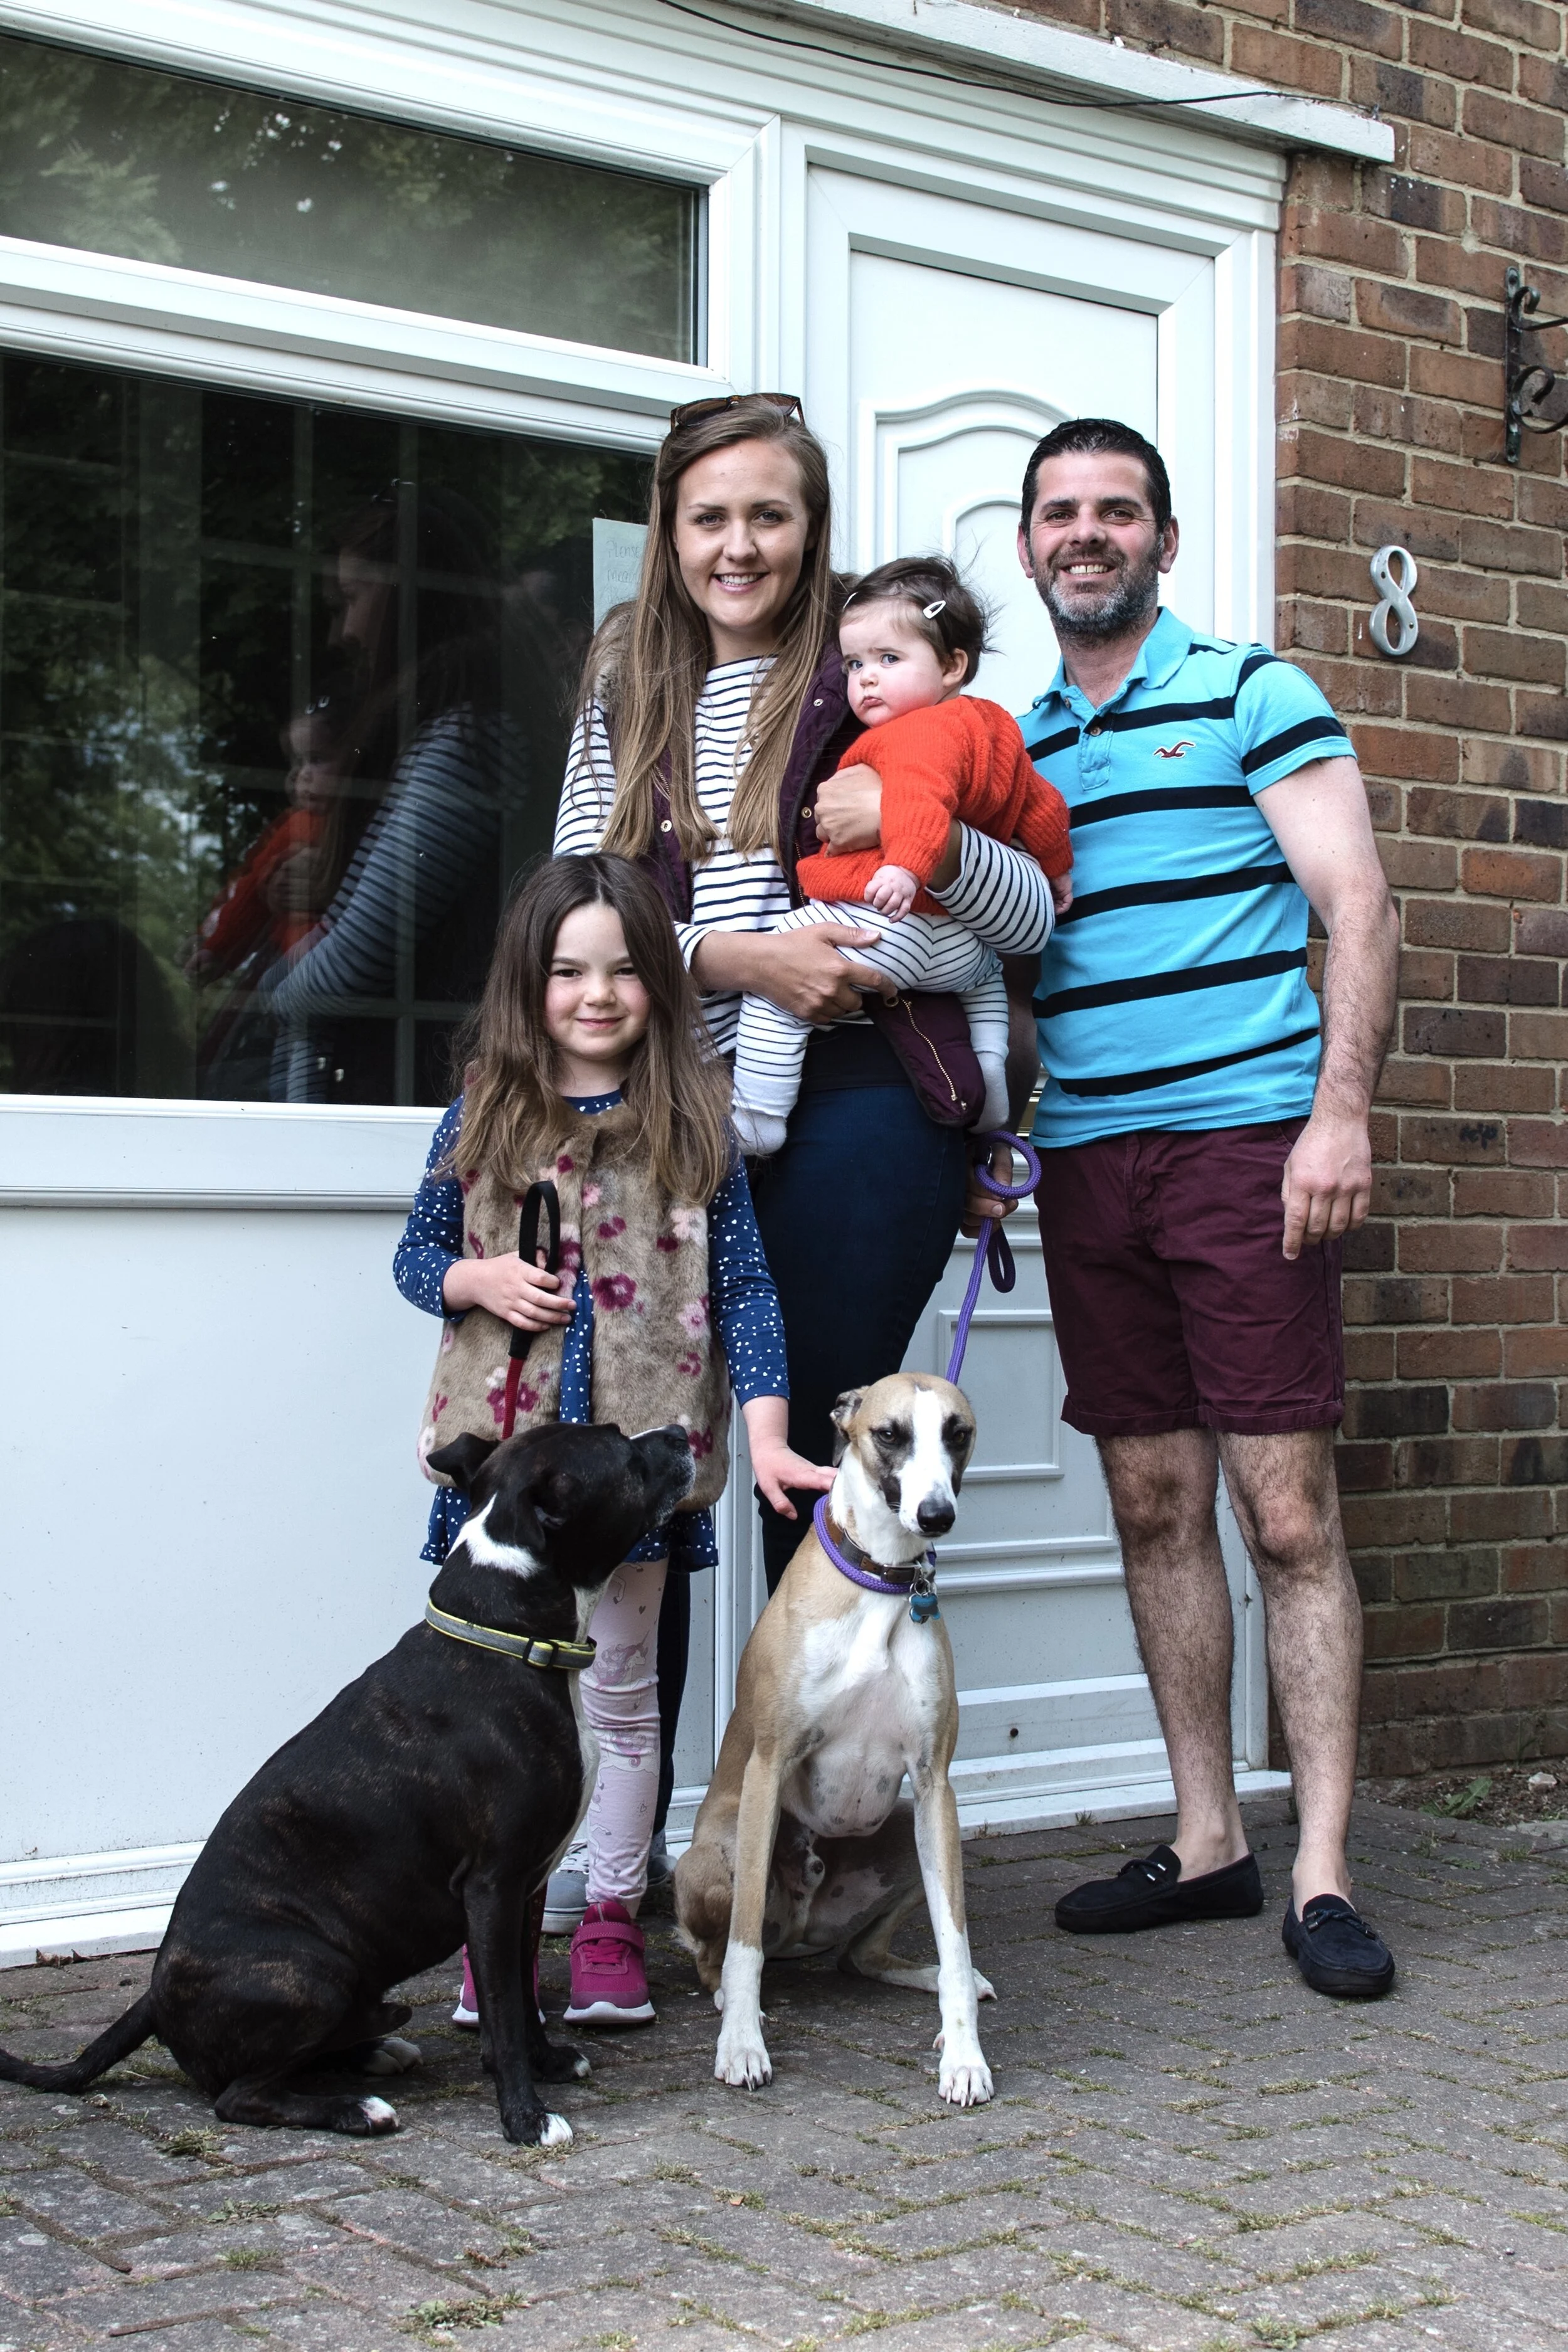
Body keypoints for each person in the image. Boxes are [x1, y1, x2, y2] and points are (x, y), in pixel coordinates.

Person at [1010, 417, 1401, 1998]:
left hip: (1248, 1142)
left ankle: (1318, 1869)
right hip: (1088, 1158)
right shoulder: (1011, 744)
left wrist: (1342, 1110)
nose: (1085, 533)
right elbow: (1016, 966)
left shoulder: (1250, 688)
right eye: (1059, 512)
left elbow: (1357, 902)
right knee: (1152, 1503)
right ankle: (1204, 1839)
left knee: (1286, 1509)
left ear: (1163, 540)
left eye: (1116, 510)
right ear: (1029, 544)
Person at [556, 396, 1052, 1596]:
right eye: (708, 518)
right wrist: (739, 963)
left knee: (826, 1457)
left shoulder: (882, 678)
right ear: (668, 533)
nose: (739, 547)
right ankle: (650, 1783)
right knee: (637, 1465)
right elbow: (567, 925)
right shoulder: (628, 686)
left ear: (812, 527)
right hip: (668, 1103)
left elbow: (1030, 913)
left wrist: (916, 837)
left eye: (769, 516)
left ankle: (833, 1782)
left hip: (863, 1091)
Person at [393, 851, 827, 2030]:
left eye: (627, 971)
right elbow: (411, 1259)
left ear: (660, 987)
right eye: (570, 971)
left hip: (624, 1490)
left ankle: (607, 1920)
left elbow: (746, 1292)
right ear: (529, 982)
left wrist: (773, 1437)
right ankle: (502, 1933)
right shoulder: (483, 1112)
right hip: (508, 1481)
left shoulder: (696, 1126)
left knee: (623, 1703)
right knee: (493, 1710)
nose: (597, 995)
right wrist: (477, 1277)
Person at [729, 555, 1073, 1156]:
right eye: (856, 663)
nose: (865, 679)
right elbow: (1039, 804)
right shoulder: (997, 727)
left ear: (951, 665)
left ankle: (757, 1117)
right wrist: (1056, 866)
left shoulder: (915, 733)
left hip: (890, 922)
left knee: (781, 956)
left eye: (889, 660)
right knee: (988, 986)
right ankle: (991, 1092)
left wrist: (902, 866)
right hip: (962, 946)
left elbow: (918, 799)